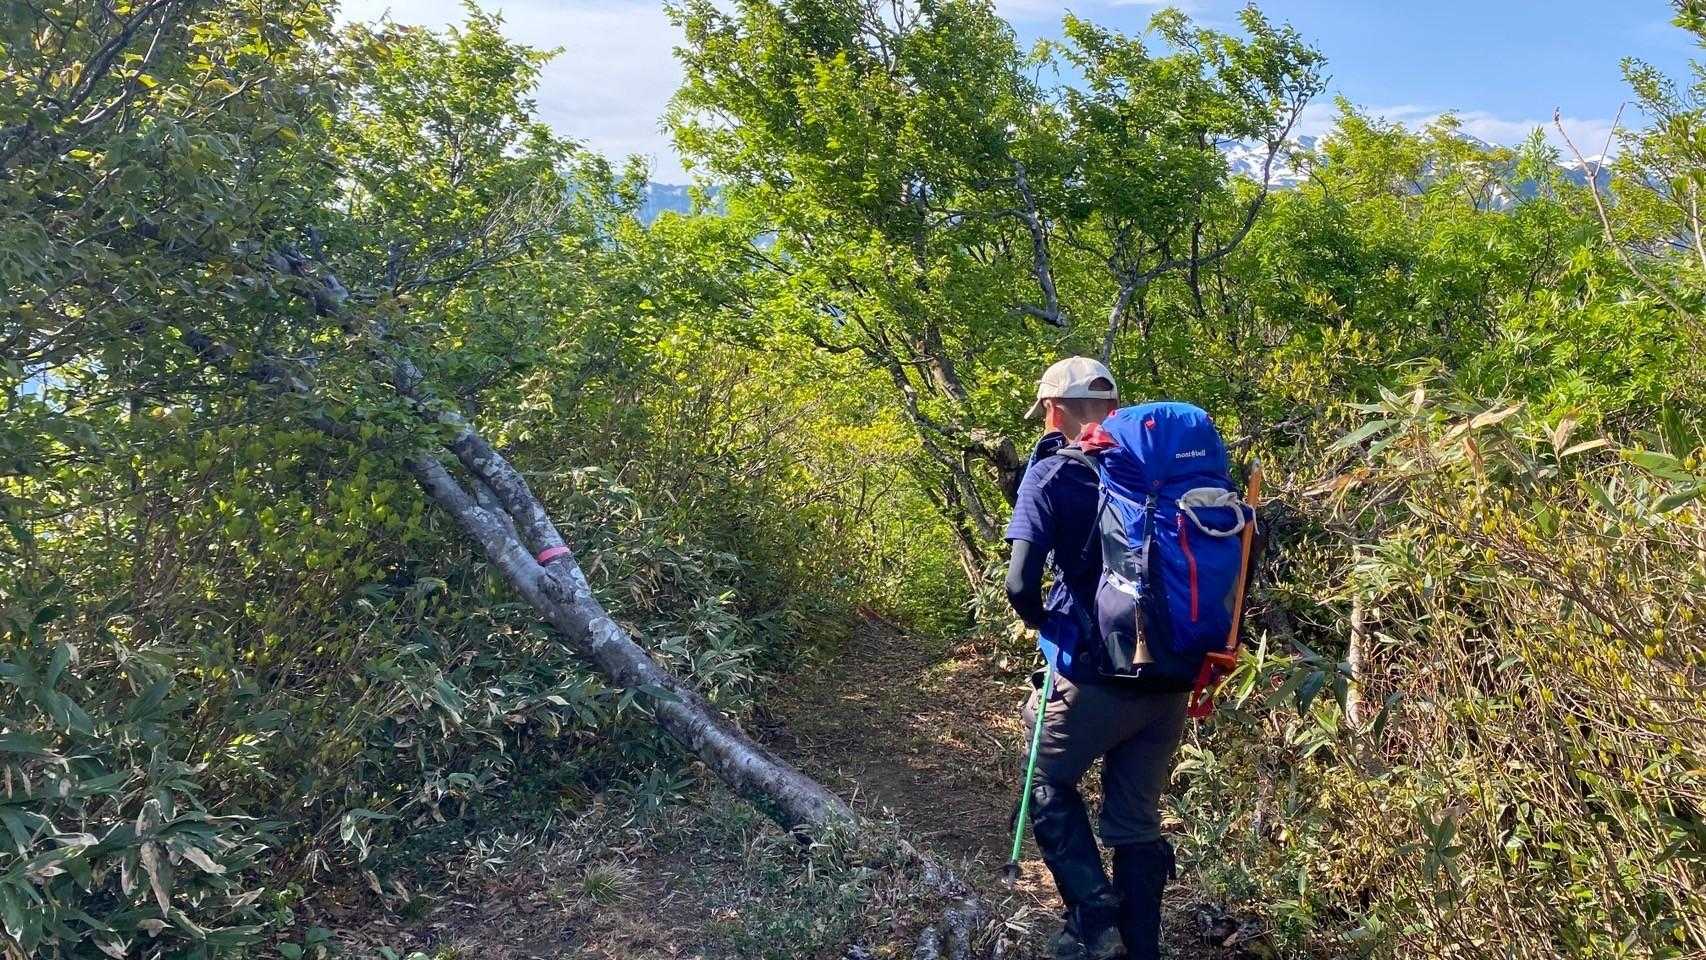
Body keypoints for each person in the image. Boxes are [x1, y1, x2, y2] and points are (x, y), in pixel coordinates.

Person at [1005, 356, 1190, 960]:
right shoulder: (1158, 472)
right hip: (1170, 678)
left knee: (1046, 781)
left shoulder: (1051, 473)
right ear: (1113, 410)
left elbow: (1019, 583)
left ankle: (1093, 914)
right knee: (1136, 824)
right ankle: (1140, 950)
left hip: (1092, 673)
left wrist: (1045, 623)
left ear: (1053, 409)